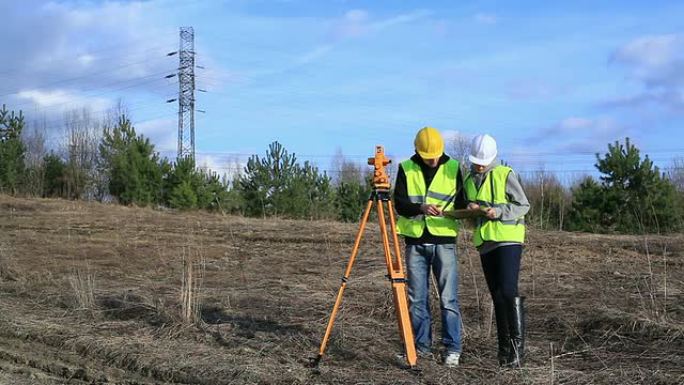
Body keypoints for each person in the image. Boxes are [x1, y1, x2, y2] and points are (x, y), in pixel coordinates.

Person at [393, 126, 467, 367]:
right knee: (417, 299)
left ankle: (453, 348)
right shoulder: (406, 168)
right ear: (418, 151)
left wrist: (453, 212)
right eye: (428, 156)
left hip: (444, 242)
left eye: (435, 155)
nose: (433, 159)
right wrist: (421, 208)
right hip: (415, 242)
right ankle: (422, 347)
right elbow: (400, 204)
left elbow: (463, 203)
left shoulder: (454, 167)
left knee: (448, 299)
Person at [463, 134, 530, 367]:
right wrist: (472, 209)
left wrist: (498, 211)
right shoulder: (469, 180)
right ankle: (503, 353)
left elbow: (523, 205)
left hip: (508, 239)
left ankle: (517, 352)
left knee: (508, 291)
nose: (479, 164)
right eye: (476, 161)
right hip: (485, 243)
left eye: (483, 160)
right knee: (497, 296)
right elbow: (472, 212)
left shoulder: (505, 174)